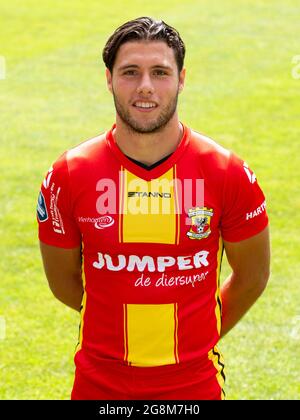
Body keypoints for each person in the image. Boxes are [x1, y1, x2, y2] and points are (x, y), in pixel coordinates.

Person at [37, 17, 270, 400]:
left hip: (194, 386)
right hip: (99, 386)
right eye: (130, 72)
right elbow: (65, 284)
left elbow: (253, 276)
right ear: (109, 79)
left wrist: (194, 339)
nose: (145, 86)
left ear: (181, 78)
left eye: (160, 72)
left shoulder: (227, 172)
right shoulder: (68, 174)